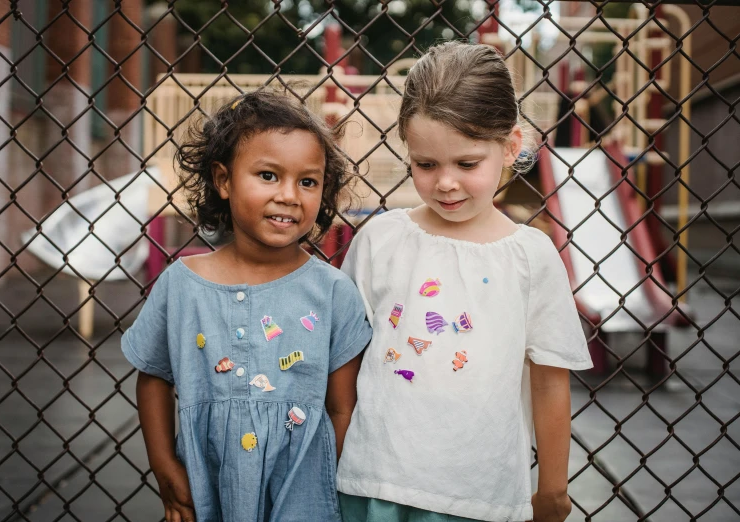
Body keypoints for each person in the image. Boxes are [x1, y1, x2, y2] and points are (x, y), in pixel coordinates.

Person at [337, 42, 593, 522]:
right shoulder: (381, 240)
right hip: (373, 484)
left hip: (481, 495)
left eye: (467, 164)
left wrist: (553, 490)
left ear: (511, 146)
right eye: (426, 164)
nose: (446, 183)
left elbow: (550, 380)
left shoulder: (530, 257)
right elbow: (345, 360)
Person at [121, 91, 372, 522]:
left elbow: (341, 407)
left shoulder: (333, 292)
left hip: (304, 491)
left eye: (308, 182)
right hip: (207, 485)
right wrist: (164, 467)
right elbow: (153, 379)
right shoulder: (182, 285)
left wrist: (332, 481)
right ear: (223, 180)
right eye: (269, 175)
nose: (290, 195)